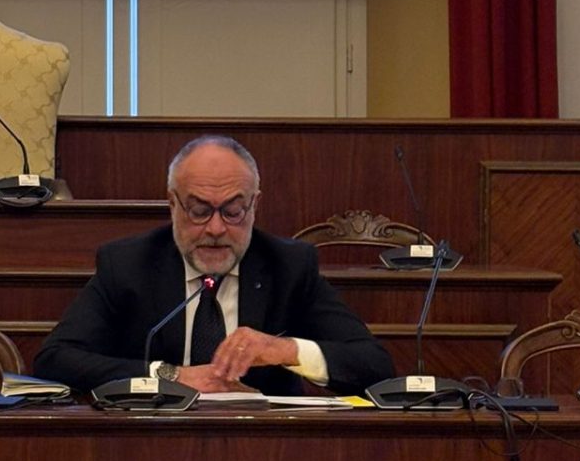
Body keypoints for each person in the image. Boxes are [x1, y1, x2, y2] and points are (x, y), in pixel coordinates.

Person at [36, 135, 392, 396]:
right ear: (172, 205)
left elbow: (374, 365)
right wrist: (172, 376)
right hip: (152, 444)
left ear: (255, 206)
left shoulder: (289, 266)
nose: (216, 229)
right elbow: (55, 360)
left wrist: (285, 350)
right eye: (199, 211)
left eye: (233, 211)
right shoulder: (129, 265)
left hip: (266, 449)